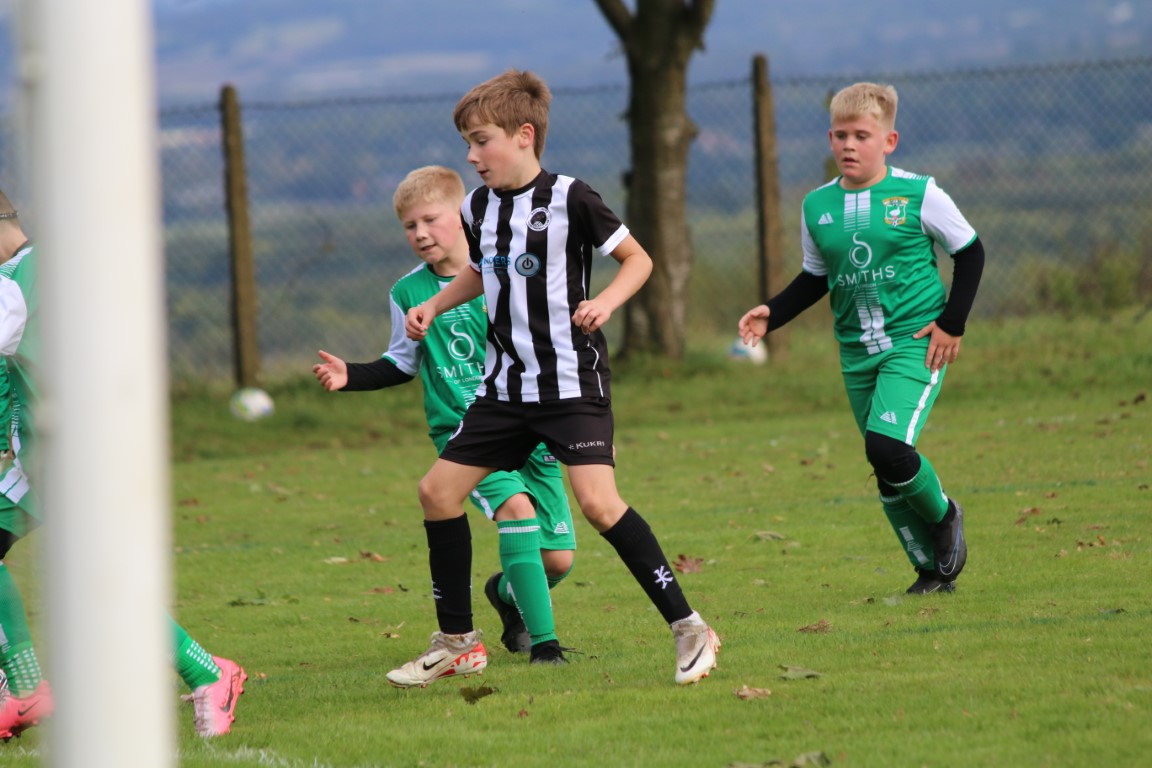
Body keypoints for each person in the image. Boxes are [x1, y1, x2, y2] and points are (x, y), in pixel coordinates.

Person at [401, 70, 720, 686]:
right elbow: (485, 274)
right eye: (467, 142)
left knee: (599, 506)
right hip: (503, 390)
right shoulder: (475, 206)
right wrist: (436, 305)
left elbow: (639, 259)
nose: (471, 155)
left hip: (570, 383)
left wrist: (606, 303)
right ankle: (458, 642)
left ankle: (690, 628)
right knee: (436, 493)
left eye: (481, 140)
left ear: (524, 136)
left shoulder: (572, 197)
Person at [312, 165, 578, 677]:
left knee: (558, 559)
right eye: (409, 226)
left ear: (462, 216)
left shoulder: (504, 273)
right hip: (466, 433)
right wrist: (353, 374)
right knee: (515, 510)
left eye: (430, 220)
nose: (420, 234)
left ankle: (505, 594)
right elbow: (401, 363)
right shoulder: (408, 294)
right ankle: (546, 647)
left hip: (531, 426)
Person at [0, 192, 247, 739]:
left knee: (101, 582)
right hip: (45, 458)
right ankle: (25, 688)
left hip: (75, 458)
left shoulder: (20, 280)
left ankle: (210, 672)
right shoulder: (38, 269)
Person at [738, 82, 984, 595]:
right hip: (856, 354)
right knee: (884, 464)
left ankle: (944, 517)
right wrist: (771, 315)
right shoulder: (816, 206)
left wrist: (952, 323)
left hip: (914, 341)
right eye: (841, 135)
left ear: (889, 140)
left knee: (888, 446)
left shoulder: (920, 194)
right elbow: (814, 277)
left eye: (863, 136)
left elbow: (971, 251)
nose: (850, 145)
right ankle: (930, 574)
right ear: (830, 138)